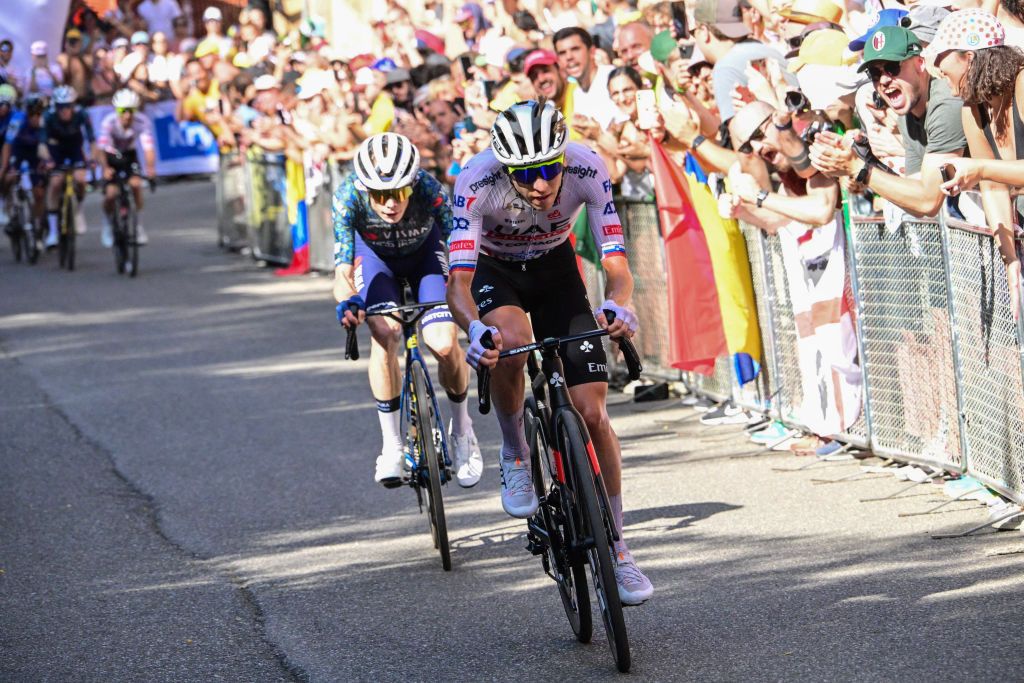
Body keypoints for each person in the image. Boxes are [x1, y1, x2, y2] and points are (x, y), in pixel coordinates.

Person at [446, 100, 653, 605]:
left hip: (557, 270)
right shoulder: (475, 181)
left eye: (548, 170)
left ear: (563, 157)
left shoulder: (587, 166)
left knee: (593, 413)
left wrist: (618, 305)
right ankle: (516, 451)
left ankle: (620, 551)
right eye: (525, 175)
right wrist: (474, 329)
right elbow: (459, 282)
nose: (540, 185)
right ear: (505, 168)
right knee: (511, 343)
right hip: (495, 273)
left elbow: (617, 264)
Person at [333, 132, 483, 489]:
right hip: (375, 261)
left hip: (424, 258)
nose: (389, 204)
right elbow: (341, 268)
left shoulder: (429, 189)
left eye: (398, 193)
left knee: (445, 344)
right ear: (364, 188)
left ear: (412, 185)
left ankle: (463, 431)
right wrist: (348, 301)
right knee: (385, 333)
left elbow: (461, 242)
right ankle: (392, 445)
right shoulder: (347, 197)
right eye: (380, 195)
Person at [809, 25, 967, 219]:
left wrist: (859, 168)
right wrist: (869, 162)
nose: (883, 80)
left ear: (920, 63)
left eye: (892, 68)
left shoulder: (944, 104)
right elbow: (916, 196)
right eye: (875, 74)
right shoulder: (907, 113)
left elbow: (928, 202)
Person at [925, 9, 1023, 313]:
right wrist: (1011, 262)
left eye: (942, 60)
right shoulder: (972, 110)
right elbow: (993, 188)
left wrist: (980, 168)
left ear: (969, 57)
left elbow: (987, 172)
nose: (938, 71)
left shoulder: (1022, 85)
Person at [97, 89, 156, 247]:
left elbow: (148, 147)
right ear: (117, 111)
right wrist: (105, 168)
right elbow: (101, 149)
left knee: (136, 185)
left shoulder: (142, 121)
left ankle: (138, 227)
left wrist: (150, 169)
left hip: (129, 155)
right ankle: (108, 225)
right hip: (111, 156)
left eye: (131, 111)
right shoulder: (109, 122)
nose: (127, 115)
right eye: (123, 111)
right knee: (111, 194)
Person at [43, 85, 93, 247]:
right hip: (55, 149)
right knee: (56, 183)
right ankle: (52, 232)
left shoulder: (82, 114)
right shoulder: (48, 116)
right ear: (55, 107)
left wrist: (92, 157)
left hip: (74, 148)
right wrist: (47, 160)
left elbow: (92, 140)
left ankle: (78, 210)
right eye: (61, 107)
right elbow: (42, 144)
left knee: (80, 179)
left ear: (73, 106)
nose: (65, 111)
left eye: (68, 107)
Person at [1, 94, 49, 244]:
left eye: (39, 114)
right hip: (20, 152)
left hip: (37, 155)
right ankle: (9, 208)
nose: (35, 117)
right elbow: (8, 145)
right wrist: (4, 167)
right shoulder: (17, 121)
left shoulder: (47, 121)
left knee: (39, 193)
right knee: (9, 177)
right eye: (32, 114)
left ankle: (38, 221)